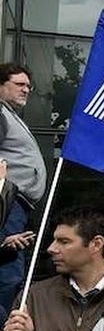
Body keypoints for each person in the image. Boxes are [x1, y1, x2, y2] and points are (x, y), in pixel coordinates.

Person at [0, 64, 47, 311]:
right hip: (7, 204)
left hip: (16, 205)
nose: (26, 90)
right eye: (19, 84)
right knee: (8, 273)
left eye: (28, 85)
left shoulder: (10, 115)